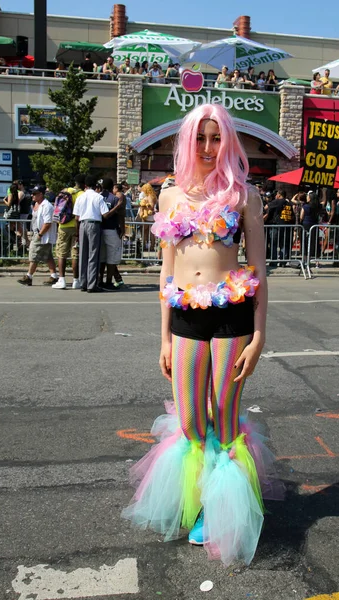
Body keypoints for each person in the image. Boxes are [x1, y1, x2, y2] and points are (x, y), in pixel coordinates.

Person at [122, 103, 283, 567]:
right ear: (187, 143)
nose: (209, 148)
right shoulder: (170, 197)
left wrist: (259, 335)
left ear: (228, 142)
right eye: (200, 139)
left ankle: (219, 508)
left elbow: (259, 269)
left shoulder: (244, 196)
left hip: (232, 315)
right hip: (187, 317)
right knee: (193, 422)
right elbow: (166, 272)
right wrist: (165, 338)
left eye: (216, 138)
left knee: (226, 421)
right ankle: (197, 496)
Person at [73, 175, 109, 293]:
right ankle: (92, 284)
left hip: (82, 224)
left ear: (85, 185)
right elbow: (105, 214)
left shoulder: (80, 197)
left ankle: (83, 282)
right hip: (94, 224)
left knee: (83, 254)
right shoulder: (98, 197)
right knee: (93, 254)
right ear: (96, 186)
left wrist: (77, 232)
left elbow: (76, 217)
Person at [17, 185, 58, 286]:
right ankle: (54, 276)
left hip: (42, 234)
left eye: (35, 193)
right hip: (37, 233)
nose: (32, 195)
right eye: (32, 193)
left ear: (41, 194)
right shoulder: (36, 204)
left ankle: (29, 277)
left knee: (34, 254)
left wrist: (40, 235)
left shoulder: (47, 206)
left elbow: (48, 223)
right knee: (48, 256)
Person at [52, 174, 85, 290]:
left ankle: (62, 280)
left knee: (62, 253)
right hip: (77, 226)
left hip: (63, 225)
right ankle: (76, 280)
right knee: (75, 254)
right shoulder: (82, 195)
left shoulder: (65, 191)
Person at [99, 178, 124, 290]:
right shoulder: (114, 199)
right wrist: (122, 229)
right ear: (111, 187)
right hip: (111, 229)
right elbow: (120, 215)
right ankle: (109, 282)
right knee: (112, 258)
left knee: (102, 258)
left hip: (99, 229)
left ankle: (100, 280)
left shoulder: (97, 197)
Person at [300, 191, 320, 259]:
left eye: (308, 196)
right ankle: (316, 259)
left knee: (305, 241)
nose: (306, 197)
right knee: (314, 241)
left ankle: (305, 258)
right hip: (314, 224)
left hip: (306, 224)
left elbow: (301, 216)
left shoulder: (305, 206)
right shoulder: (317, 206)